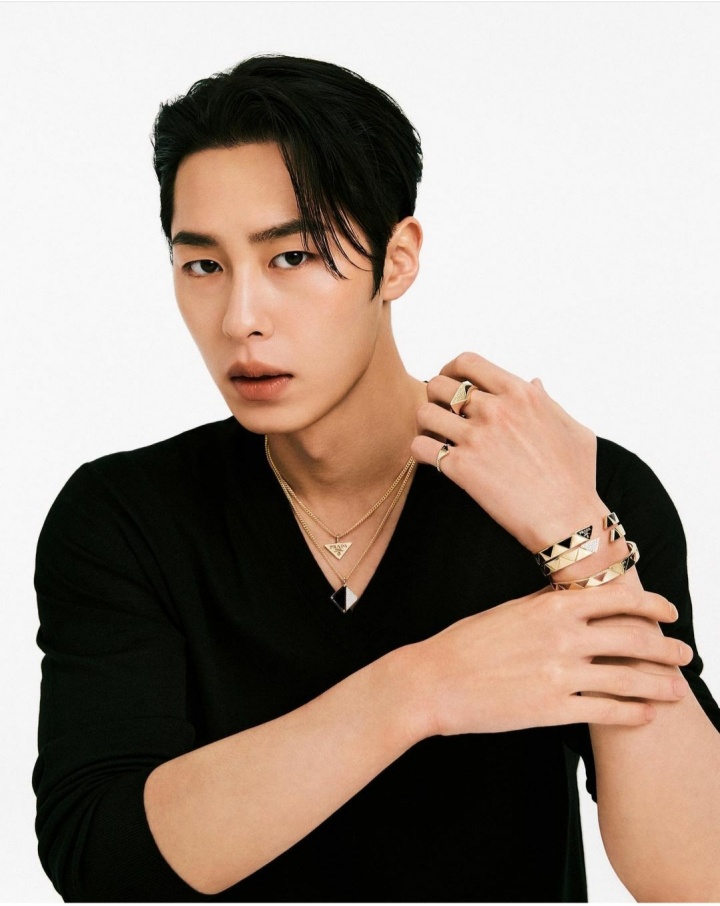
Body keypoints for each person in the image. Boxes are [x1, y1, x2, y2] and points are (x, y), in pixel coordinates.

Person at [33, 54, 720, 902]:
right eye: (203, 265)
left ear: (396, 261)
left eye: (292, 256)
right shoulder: (126, 516)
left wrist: (579, 541)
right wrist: (422, 688)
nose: (241, 318)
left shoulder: (579, 486)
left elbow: (697, 880)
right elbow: (104, 867)